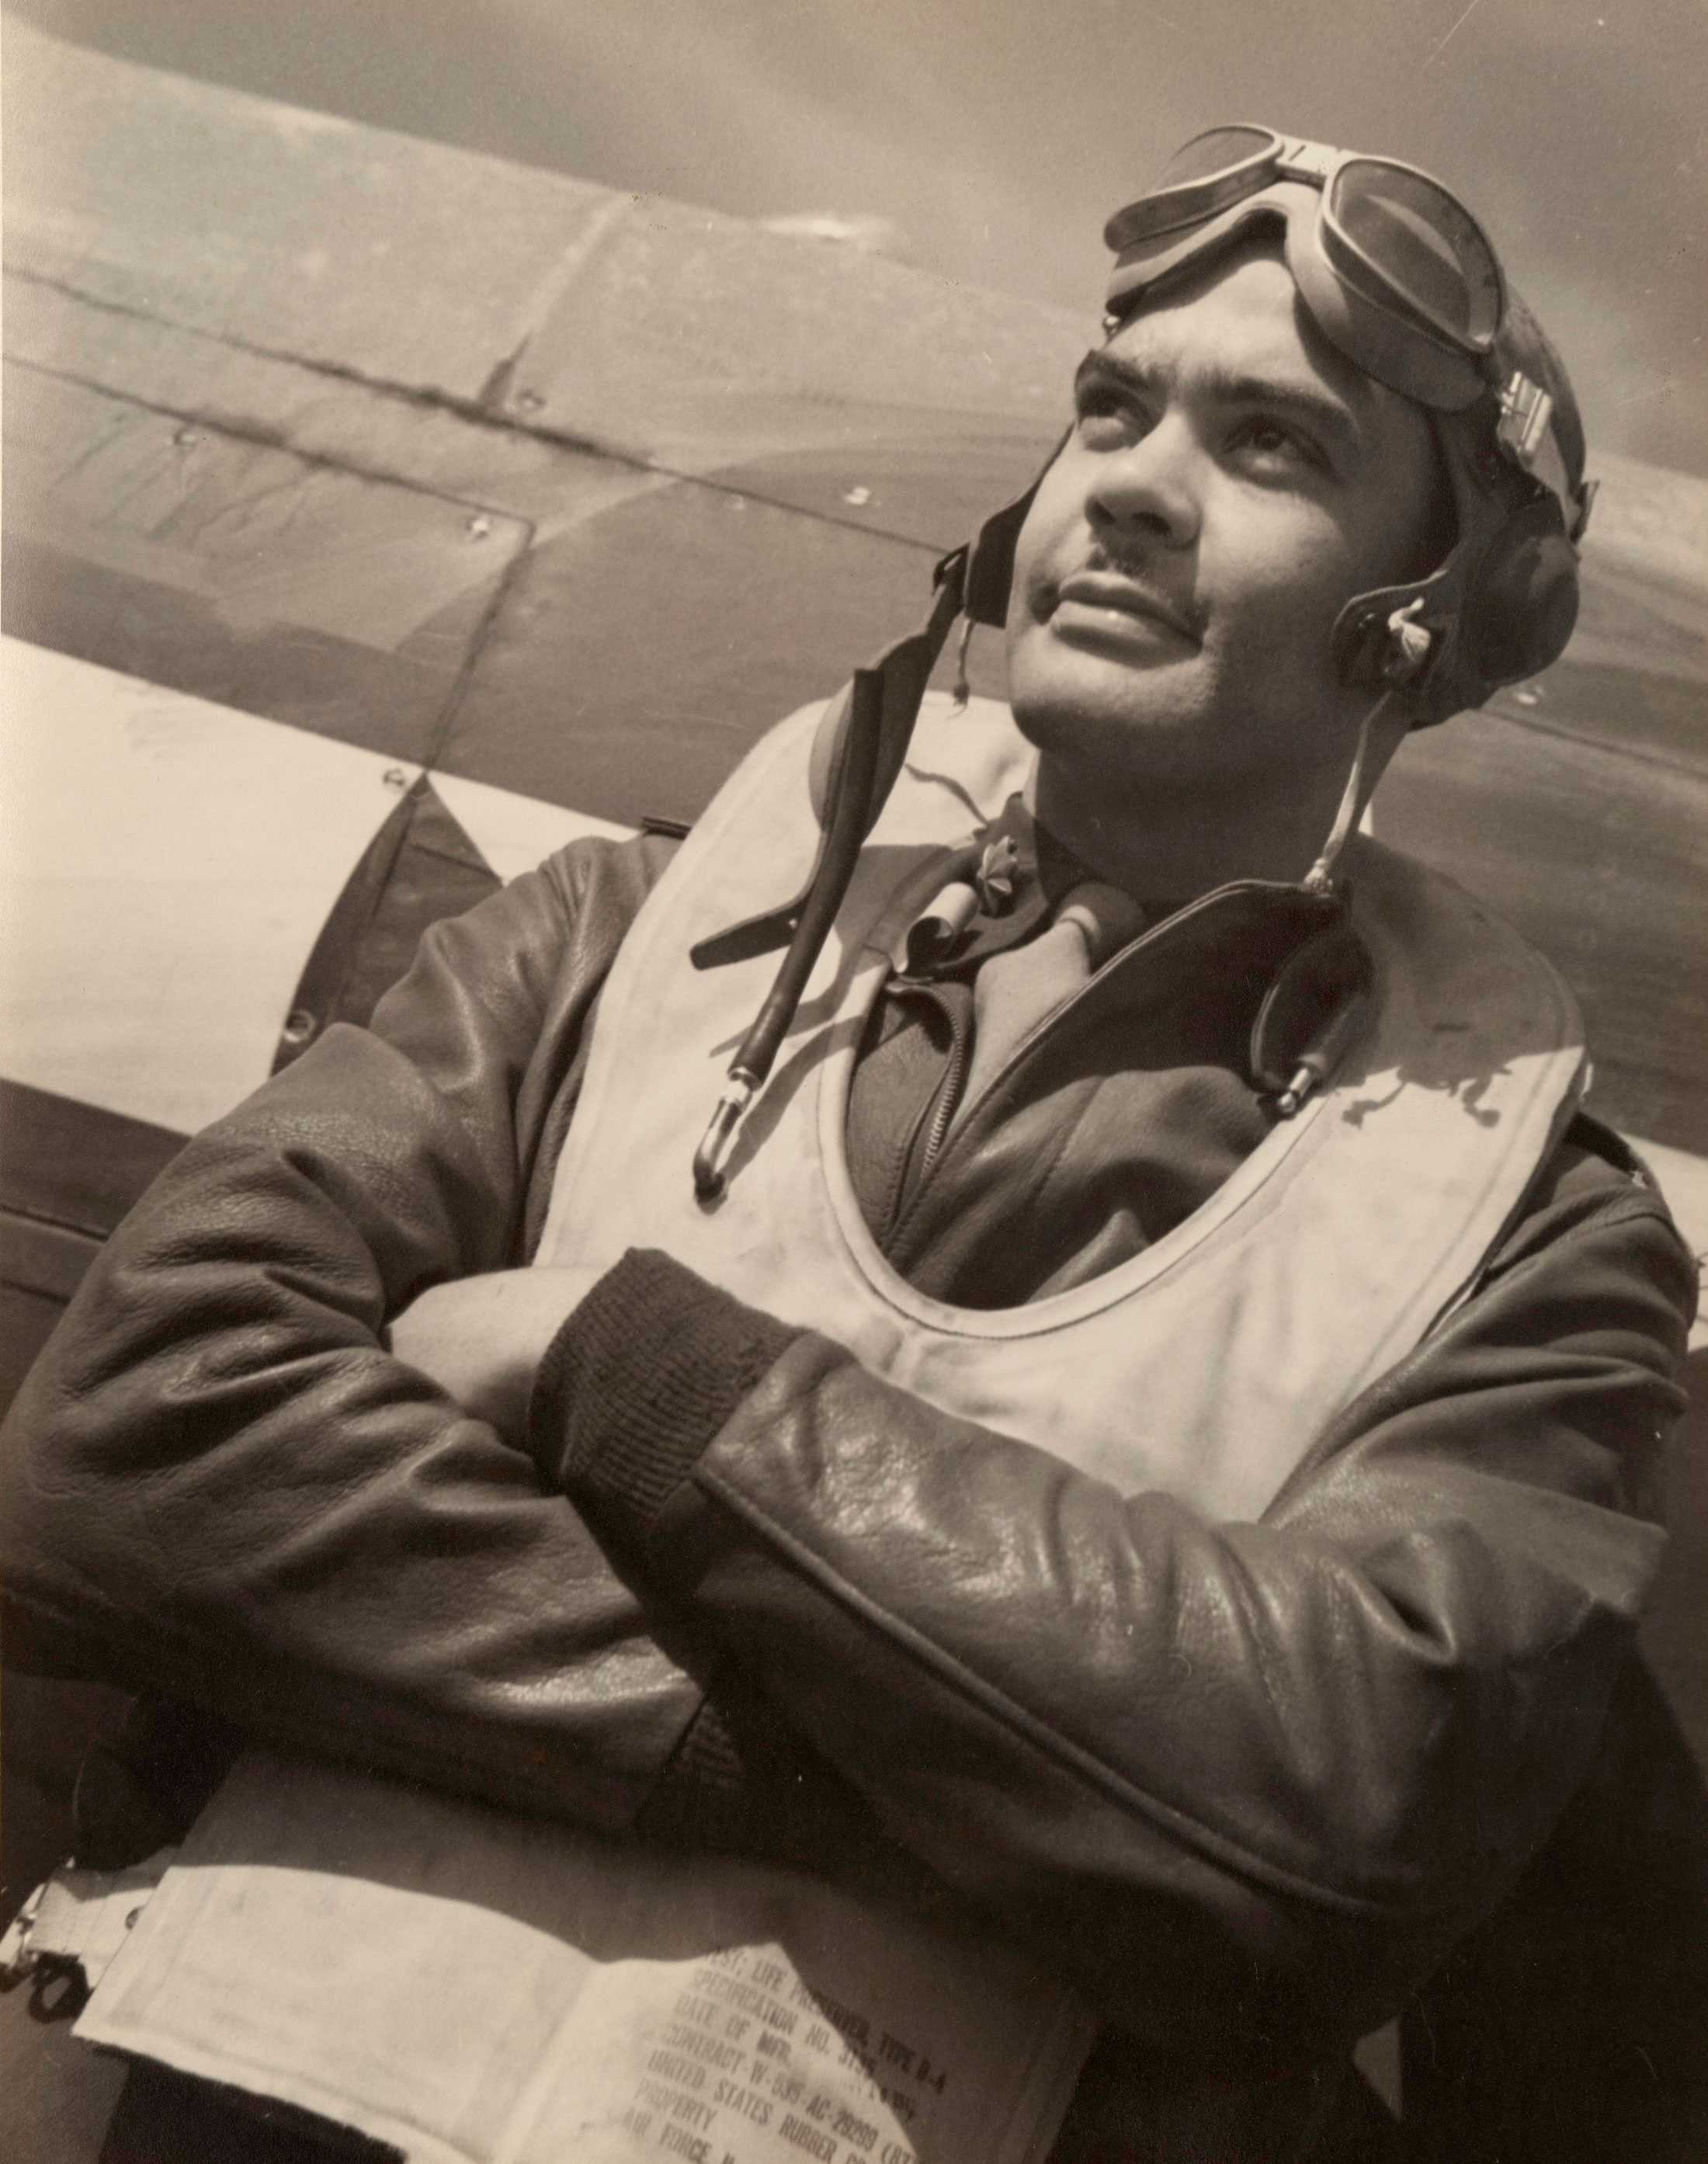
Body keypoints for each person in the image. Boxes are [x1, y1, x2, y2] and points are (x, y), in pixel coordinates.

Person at [1, 127, 1698, 2160]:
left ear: (1413, 625)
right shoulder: (621, 930)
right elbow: (122, 1445)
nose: (1134, 485)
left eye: (1270, 444)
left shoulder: (1535, 1232)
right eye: (1108, 405)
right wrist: (1016, 1788)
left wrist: (613, 1368)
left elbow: (1330, 1829)